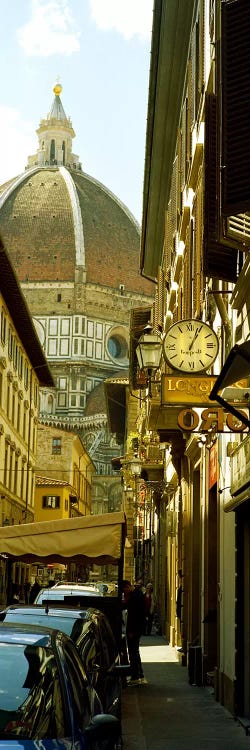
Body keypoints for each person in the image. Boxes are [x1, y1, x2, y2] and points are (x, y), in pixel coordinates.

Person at [122, 579, 147, 685]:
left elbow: (134, 616)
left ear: (128, 587)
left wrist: (131, 631)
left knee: (133, 652)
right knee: (135, 652)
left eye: (124, 591)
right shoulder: (136, 594)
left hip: (134, 629)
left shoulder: (134, 597)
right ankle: (139, 675)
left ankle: (135, 676)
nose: (124, 593)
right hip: (137, 628)